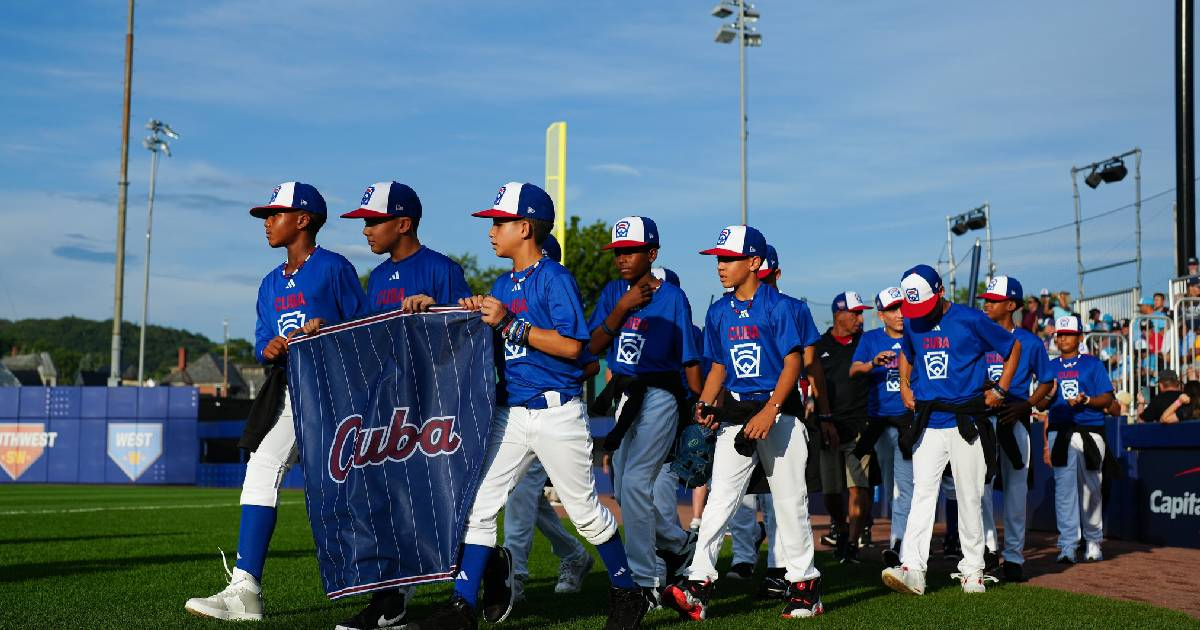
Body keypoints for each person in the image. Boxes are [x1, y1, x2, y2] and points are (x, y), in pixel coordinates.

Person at [408, 182, 645, 630]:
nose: (492, 231)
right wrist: (440, 309)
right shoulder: (502, 282)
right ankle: (462, 606)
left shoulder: (555, 278)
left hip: (557, 411)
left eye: (499, 223)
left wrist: (511, 324)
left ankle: (627, 590)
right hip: (512, 410)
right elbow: (486, 325)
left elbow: (575, 347)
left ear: (525, 226)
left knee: (584, 512)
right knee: (479, 505)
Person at [186, 182, 368, 622]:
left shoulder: (333, 268)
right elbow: (261, 339)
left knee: (364, 494)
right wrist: (268, 348)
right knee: (262, 467)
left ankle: (435, 578)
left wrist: (328, 331)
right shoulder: (269, 283)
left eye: (274, 214)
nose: (267, 222)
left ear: (302, 219)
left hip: (338, 395)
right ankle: (245, 587)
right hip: (291, 391)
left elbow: (365, 330)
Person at [662, 225, 826, 620]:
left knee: (789, 503)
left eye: (729, 259)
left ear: (753, 262)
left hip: (779, 415)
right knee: (720, 501)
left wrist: (771, 409)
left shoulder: (781, 306)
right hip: (736, 414)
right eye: (719, 258)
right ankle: (697, 584)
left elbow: (794, 362)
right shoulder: (718, 309)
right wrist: (703, 403)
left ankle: (805, 589)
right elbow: (718, 365)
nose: (721, 265)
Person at [880, 264, 1020, 596]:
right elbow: (907, 355)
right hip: (928, 420)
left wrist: (1000, 389)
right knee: (922, 494)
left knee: (970, 496)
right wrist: (903, 384)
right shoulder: (913, 321)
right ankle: (913, 568)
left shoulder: (971, 319)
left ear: (940, 292)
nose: (917, 314)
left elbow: (1012, 347)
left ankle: (973, 570)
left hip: (966, 419)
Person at [587, 216, 702, 601]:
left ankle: (644, 580)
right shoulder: (613, 292)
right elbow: (591, 345)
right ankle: (677, 542)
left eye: (630, 251)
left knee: (636, 481)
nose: (622, 257)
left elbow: (688, 359)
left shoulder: (672, 297)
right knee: (621, 487)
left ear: (651, 253)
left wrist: (699, 408)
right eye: (618, 251)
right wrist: (621, 307)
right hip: (624, 395)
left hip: (660, 395)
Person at [501, 236, 595, 604]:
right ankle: (572, 554)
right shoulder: (513, 293)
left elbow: (584, 359)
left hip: (555, 410)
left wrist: (557, 383)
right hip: (518, 409)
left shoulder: (555, 291)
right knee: (526, 498)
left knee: (526, 495)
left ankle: (515, 579)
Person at [977, 276, 1055, 583]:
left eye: (993, 300)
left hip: (1015, 417)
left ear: (1011, 305)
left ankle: (1013, 557)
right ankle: (985, 551)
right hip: (982, 418)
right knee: (979, 488)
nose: (986, 304)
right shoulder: (978, 337)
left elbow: (1047, 380)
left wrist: (1028, 405)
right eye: (986, 299)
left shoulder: (1030, 341)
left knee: (1015, 490)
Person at [1038, 315, 1115, 564]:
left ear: (1079, 337)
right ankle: (1068, 545)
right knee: (1064, 490)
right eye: (1060, 335)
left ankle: (1093, 542)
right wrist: (1048, 396)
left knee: (1091, 488)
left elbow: (1107, 398)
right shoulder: (1050, 366)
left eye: (1068, 334)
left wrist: (1087, 400)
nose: (1063, 339)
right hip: (1060, 430)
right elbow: (1040, 403)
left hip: (1089, 430)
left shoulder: (1092, 364)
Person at [849, 287, 912, 569]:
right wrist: (873, 363)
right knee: (891, 485)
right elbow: (853, 370)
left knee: (904, 483)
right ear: (881, 314)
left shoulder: (916, 335)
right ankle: (901, 540)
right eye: (893, 309)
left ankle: (900, 544)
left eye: (903, 307)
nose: (900, 314)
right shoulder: (872, 339)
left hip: (908, 420)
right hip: (879, 422)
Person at [814, 291, 873, 565]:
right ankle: (840, 525)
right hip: (828, 425)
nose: (861, 319)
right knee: (831, 491)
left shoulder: (867, 343)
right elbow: (813, 384)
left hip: (860, 424)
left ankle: (851, 543)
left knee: (859, 486)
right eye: (855, 313)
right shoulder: (820, 345)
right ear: (839, 314)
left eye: (862, 313)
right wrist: (824, 419)